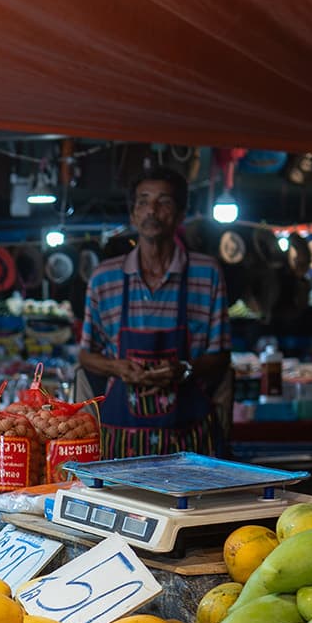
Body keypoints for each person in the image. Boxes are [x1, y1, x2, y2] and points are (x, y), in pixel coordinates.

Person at [77, 166, 230, 457]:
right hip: (121, 439)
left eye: (164, 202)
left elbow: (221, 356)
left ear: (181, 215)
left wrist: (182, 369)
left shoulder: (206, 274)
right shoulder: (104, 279)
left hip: (189, 440)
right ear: (133, 215)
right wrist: (118, 368)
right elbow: (86, 355)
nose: (152, 210)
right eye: (143, 201)